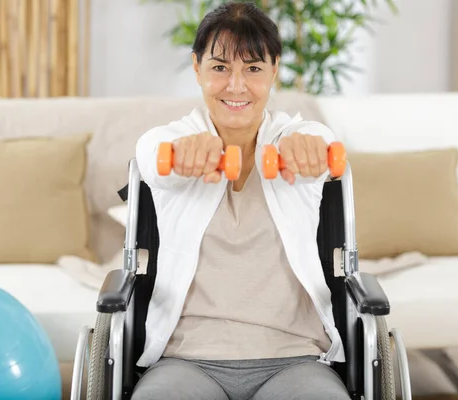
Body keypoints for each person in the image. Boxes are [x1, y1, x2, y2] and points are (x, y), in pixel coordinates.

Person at [132, 2, 350, 399]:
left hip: (295, 359)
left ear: (274, 71)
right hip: (186, 360)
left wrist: (310, 148)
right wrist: (185, 154)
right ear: (196, 68)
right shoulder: (174, 142)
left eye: (253, 68)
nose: (236, 85)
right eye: (220, 67)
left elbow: (323, 143)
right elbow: (149, 154)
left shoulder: (294, 142)